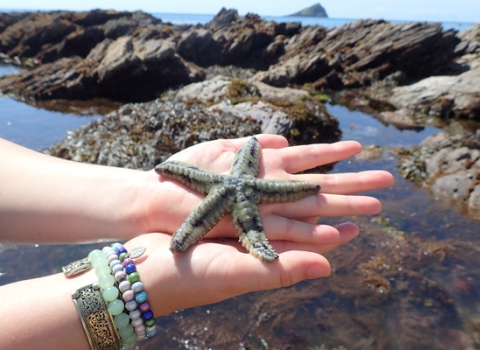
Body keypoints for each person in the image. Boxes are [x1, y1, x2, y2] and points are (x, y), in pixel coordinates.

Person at [0, 134, 394, 350]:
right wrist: (145, 280)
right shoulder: (230, 186)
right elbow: (236, 178)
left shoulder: (237, 182)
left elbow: (248, 165)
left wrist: (143, 194)